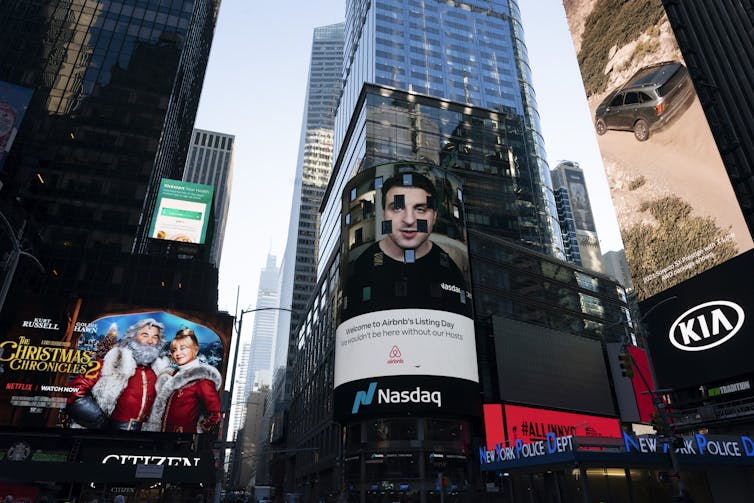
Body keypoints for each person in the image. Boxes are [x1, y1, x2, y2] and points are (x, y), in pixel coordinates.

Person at [343, 172, 471, 320]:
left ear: (434, 216)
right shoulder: (361, 269)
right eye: (397, 208)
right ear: (384, 214)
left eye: (420, 209)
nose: (409, 220)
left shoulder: (452, 272)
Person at [66, 318, 168, 430]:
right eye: (145, 335)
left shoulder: (161, 371)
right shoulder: (113, 360)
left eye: (155, 337)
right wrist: (101, 423)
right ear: (133, 337)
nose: (150, 341)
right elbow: (75, 392)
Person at [144, 328, 222, 433]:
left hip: (182, 444)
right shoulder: (171, 375)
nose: (178, 353)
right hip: (159, 441)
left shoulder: (202, 380)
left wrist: (198, 429)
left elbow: (215, 414)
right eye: (174, 350)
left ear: (195, 349)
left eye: (183, 348)